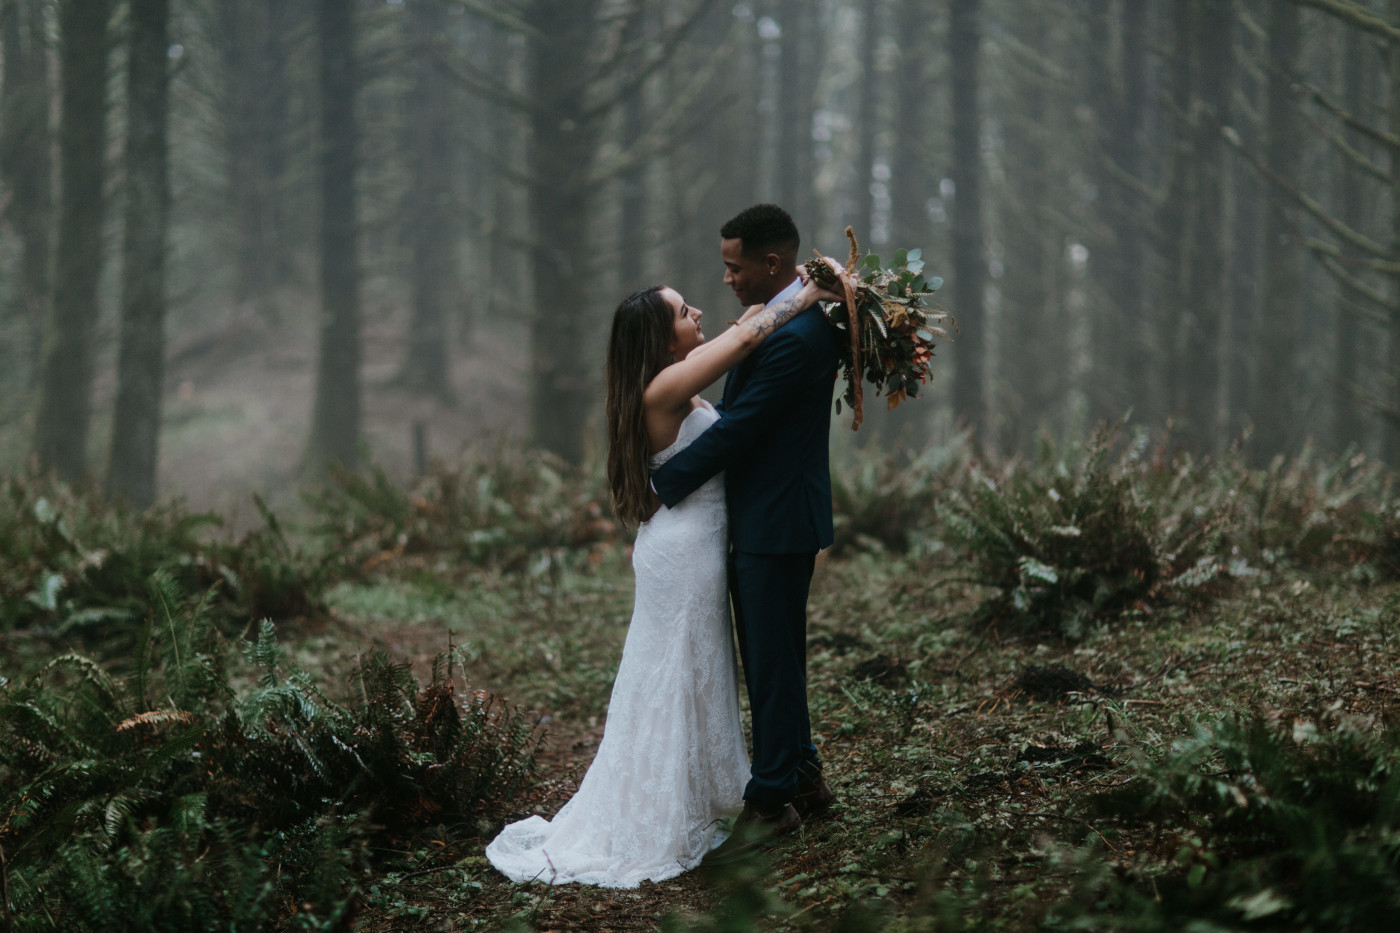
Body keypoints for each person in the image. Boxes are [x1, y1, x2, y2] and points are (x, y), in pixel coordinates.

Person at [486, 267, 842, 888]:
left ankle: (699, 790)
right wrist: (807, 295)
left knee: (690, 668)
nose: (697, 313)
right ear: (658, 339)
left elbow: (736, 331)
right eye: (682, 312)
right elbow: (747, 337)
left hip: (688, 540)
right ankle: (665, 806)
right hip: (685, 549)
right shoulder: (667, 386)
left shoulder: (670, 381)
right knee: (676, 671)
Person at [650, 204, 838, 837]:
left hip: (775, 520)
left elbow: (741, 428)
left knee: (771, 662)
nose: (726, 280)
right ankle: (804, 775)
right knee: (777, 655)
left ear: (772, 263)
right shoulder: (785, 321)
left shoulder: (800, 336)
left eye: (734, 267)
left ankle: (770, 802)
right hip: (770, 518)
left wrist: (664, 482)